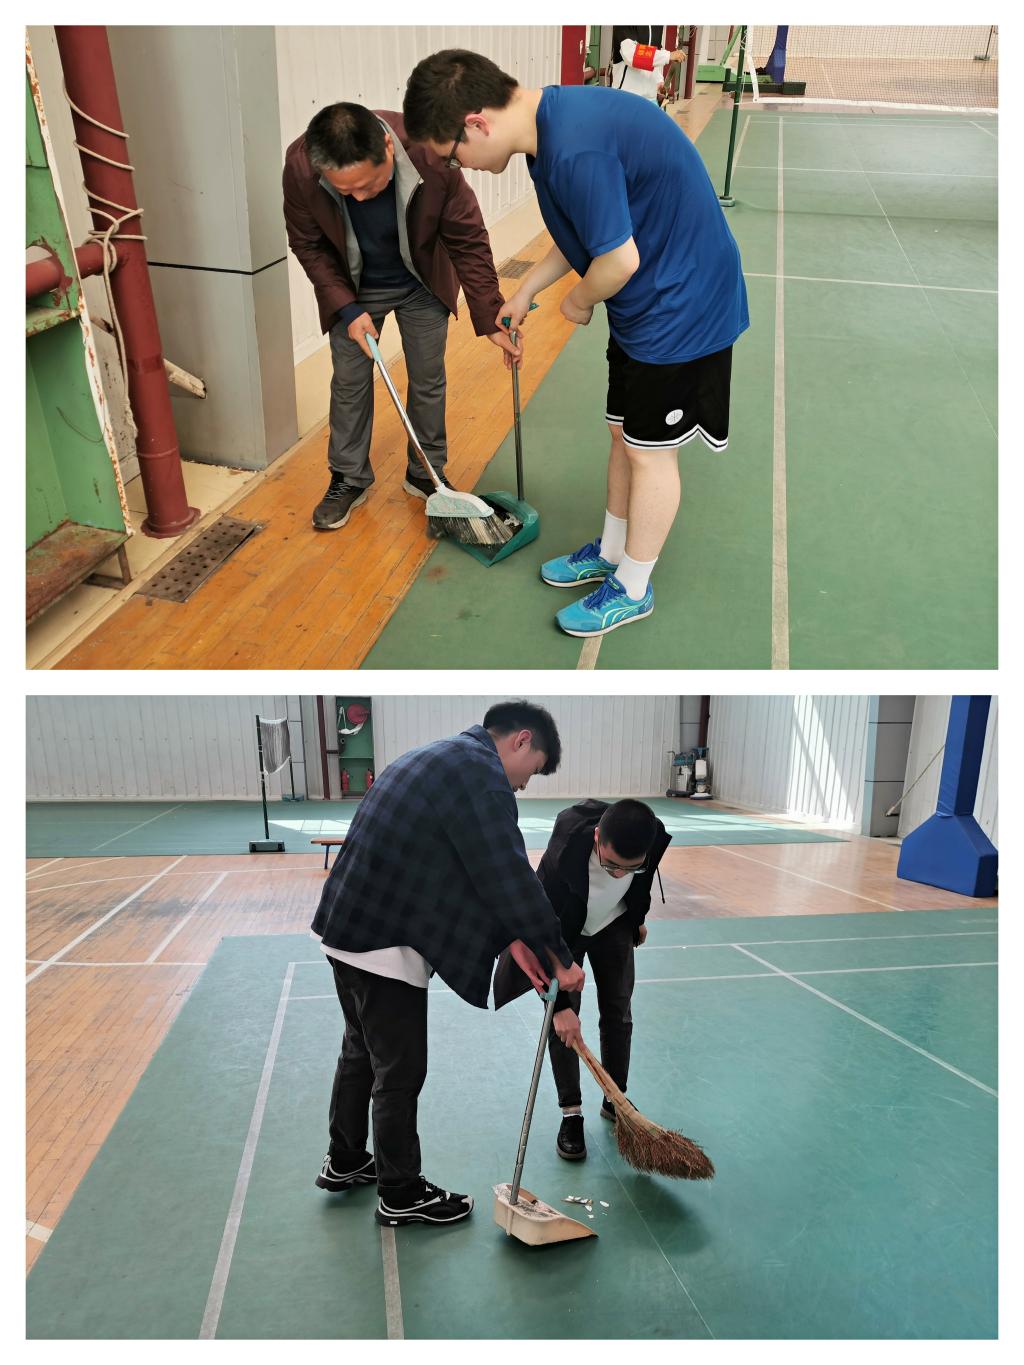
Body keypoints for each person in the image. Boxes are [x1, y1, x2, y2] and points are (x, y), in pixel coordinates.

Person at [402, 51, 749, 638]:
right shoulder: (548, 131)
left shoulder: (574, 148)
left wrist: (579, 301)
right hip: (647, 301)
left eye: (453, 155)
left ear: (476, 124)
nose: (459, 167)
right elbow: (588, 231)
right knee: (624, 434)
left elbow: (618, 259)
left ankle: (633, 586)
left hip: (684, 305)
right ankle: (612, 551)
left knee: (651, 452)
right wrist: (525, 290)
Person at [310, 700, 586, 1228]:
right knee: (399, 1070)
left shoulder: (441, 757)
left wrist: (513, 939)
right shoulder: (483, 778)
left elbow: (464, 866)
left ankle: (344, 1159)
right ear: (521, 741)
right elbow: (509, 876)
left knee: (360, 1050)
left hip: (345, 926)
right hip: (383, 941)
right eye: (530, 772)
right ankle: (400, 1193)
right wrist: (561, 957)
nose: (522, 786)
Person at [282, 102, 521, 532]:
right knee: (349, 382)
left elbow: (467, 236)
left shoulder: (431, 150)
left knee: (427, 377)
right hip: (353, 288)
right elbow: (308, 244)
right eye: (345, 191)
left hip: (421, 280)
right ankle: (348, 477)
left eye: (367, 185)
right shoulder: (301, 167)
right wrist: (346, 307)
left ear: (388, 148)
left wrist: (489, 315)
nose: (358, 197)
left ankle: (425, 472)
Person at [493, 798, 670, 1161]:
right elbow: (540, 932)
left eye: (629, 868)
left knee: (619, 1012)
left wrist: (637, 919)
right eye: (611, 865)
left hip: (614, 924)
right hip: (565, 931)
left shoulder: (651, 839)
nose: (618, 875)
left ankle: (615, 1098)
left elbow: (642, 884)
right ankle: (571, 1113)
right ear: (597, 837)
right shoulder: (565, 853)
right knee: (563, 1024)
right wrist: (558, 1006)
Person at [609, 26, 687, 103]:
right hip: (627, 97)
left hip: (650, 99)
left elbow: (654, 55)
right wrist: (668, 55)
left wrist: (658, 80)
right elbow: (631, 55)